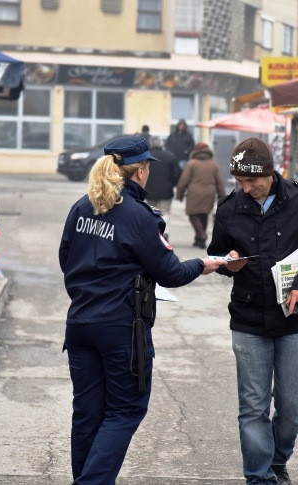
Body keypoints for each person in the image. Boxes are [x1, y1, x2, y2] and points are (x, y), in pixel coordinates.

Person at [58, 135, 225, 485]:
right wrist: (205, 263)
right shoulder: (140, 216)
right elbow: (171, 273)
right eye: (148, 167)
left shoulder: (81, 207)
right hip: (121, 328)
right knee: (125, 410)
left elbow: (66, 259)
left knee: (88, 414)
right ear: (141, 172)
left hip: (80, 323)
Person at [208, 137, 298, 485]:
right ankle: (259, 477)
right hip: (248, 319)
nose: (247, 189)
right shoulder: (230, 207)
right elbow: (218, 253)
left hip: (295, 318)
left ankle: (278, 460)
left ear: (270, 172)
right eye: (240, 182)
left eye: (253, 182)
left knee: (293, 402)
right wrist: (226, 263)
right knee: (253, 406)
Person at [175, 142, 226, 248]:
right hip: (210, 193)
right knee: (204, 214)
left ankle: (202, 235)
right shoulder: (214, 164)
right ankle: (199, 240)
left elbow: (184, 180)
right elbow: (220, 181)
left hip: (194, 192)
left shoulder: (192, 163)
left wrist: (180, 194)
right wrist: (222, 195)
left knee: (193, 214)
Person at [144, 136, 182, 241]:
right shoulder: (170, 156)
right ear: (162, 144)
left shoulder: (146, 157)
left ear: (151, 144)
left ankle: (153, 233)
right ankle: (164, 234)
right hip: (166, 190)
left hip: (149, 190)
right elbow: (177, 173)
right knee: (165, 212)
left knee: (152, 212)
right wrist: (172, 184)